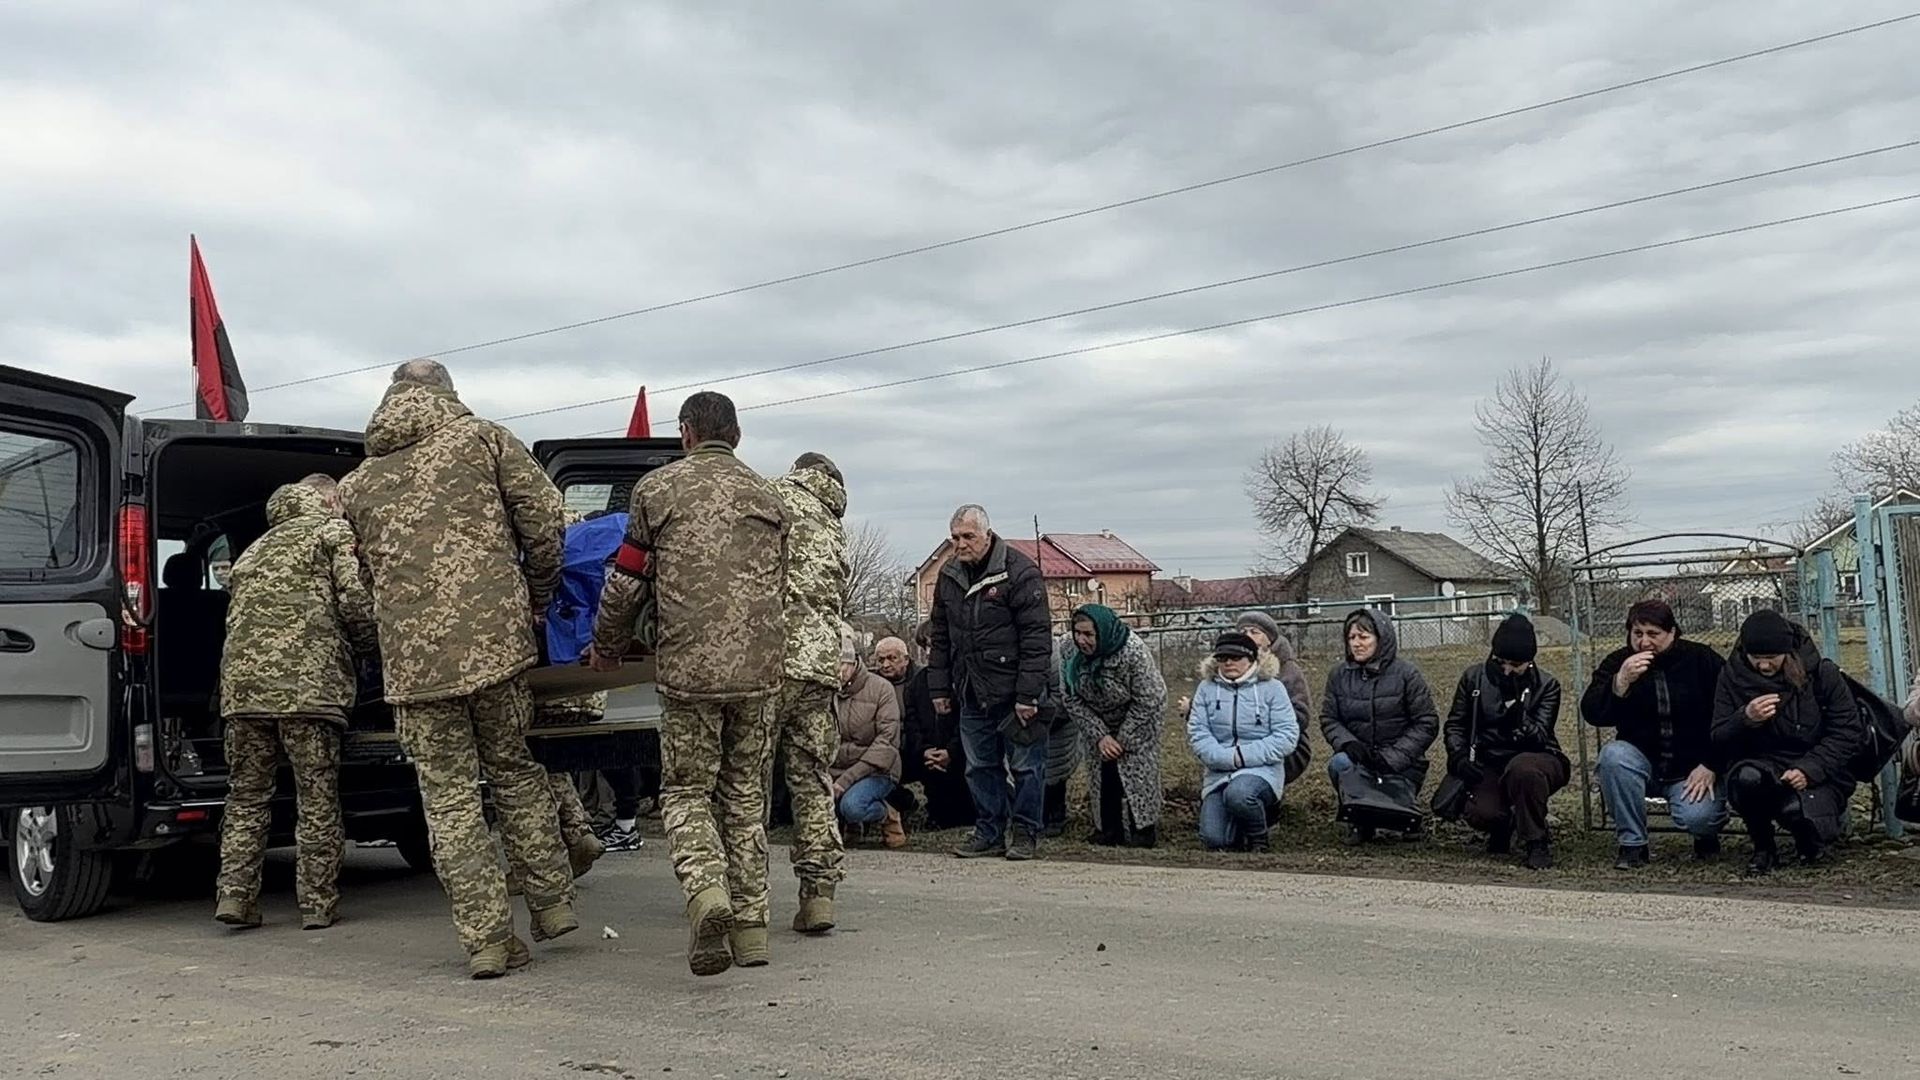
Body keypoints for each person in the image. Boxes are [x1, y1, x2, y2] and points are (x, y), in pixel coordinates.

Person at [339, 360, 576, 979]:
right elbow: (545, 521)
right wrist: (540, 595)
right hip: (496, 642)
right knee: (515, 770)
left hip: (415, 665)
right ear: (447, 393)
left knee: (447, 801)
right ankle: (550, 904)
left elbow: (365, 581)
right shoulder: (483, 439)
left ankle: (488, 942)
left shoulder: (358, 484)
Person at [588, 390, 788, 976]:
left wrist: (605, 648)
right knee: (745, 795)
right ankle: (752, 931)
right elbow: (776, 586)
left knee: (686, 792)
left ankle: (707, 895)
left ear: (686, 433)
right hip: (759, 674)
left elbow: (626, 581)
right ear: (737, 436)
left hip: (689, 674)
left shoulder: (657, 491)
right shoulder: (770, 496)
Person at [214, 475, 376, 931]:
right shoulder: (330, 533)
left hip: (243, 696)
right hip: (310, 691)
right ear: (324, 501)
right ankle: (317, 903)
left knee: (246, 796)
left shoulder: (251, 552)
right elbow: (356, 600)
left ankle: (235, 895)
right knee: (317, 796)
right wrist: (370, 652)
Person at [927, 505, 1054, 860]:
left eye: (968, 536)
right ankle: (989, 832)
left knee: (1027, 766)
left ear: (987, 534)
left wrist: (1028, 694)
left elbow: (1036, 638)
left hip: (1016, 691)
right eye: (955, 537)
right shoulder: (949, 575)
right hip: (970, 690)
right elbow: (940, 637)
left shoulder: (1020, 572)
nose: (960, 544)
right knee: (979, 766)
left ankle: (1026, 833)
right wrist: (939, 687)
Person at [1711, 609, 1864, 876]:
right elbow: (1718, 735)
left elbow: (1847, 731)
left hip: (1818, 766)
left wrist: (1810, 769)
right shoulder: (1731, 677)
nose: (1764, 665)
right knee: (1745, 778)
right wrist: (1744, 718)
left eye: (1772, 658)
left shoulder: (1821, 673)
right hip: (1760, 764)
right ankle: (1763, 847)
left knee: (1795, 811)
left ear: (1788, 653)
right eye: (1756, 658)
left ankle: (1809, 839)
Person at [767, 453, 851, 935]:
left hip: (769, 660)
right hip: (820, 666)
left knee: (745, 783)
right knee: (813, 779)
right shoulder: (832, 524)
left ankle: (743, 894)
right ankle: (819, 894)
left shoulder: (772, 498)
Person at [1580, 599, 1728, 868]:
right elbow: (1592, 713)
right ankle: (1633, 845)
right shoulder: (1617, 662)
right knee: (1613, 756)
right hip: (1642, 762)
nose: (1645, 642)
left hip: (1693, 769)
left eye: (1653, 634)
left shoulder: (1701, 659)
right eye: (1637, 633)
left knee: (1700, 818)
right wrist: (1620, 682)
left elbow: (1729, 717)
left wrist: (1711, 764)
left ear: (1672, 632)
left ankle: (1706, 836)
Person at [1443, 614, 1570, 870]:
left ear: (1530, 661)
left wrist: (1520, 718)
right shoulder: (1473, 679)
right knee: (1482, 812)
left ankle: (1536, 840)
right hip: (1489, 758)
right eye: (1500, 661)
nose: (1506, 669)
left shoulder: (1547, 686)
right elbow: (1456, 724)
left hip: (1537, 757)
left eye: (1515, 664)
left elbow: (1540, 737)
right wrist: (1458, 757)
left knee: (1524, 771)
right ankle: (1502, 823)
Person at [1320, 607, 1438, 844]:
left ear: (1381, 639)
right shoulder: (1338, 676)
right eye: (1351, 638)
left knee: (1399, 796)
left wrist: (1393, 757)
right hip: (1359, 757)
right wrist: (1348, 743)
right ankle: (1359, 819)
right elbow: (1329, 718)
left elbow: (1426, 722)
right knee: (1339, 763)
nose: (1356, 644)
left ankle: (1406, 814)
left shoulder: (1407, 675)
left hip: (1402, 762)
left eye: (1363, 637)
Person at [1062, 604, 1167, 847]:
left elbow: (1149, 699)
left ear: (1102, 631)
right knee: (1102, 772)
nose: (1081, 640)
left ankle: (1143, 830)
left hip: (1139, 717)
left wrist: (1123, 738)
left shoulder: (1133, 651)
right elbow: (1069, 697)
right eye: (1077, 632)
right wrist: (1101, 736)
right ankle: (1108, 829)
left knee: (1138, 773)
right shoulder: (1069, 650)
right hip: (1096, 718)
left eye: (1088, 634)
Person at [1188, 631, 1299, 852]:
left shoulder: (1273, 688)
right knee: (1214, 839)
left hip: (1262, 771)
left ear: (1251, 659)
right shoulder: (1206, 689)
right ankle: (1239, 827)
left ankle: (1259, 838)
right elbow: (1198, 733)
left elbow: (1286, 736)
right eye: (1222, 657)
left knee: (1240, 794)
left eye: (1236, 657)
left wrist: (1241, 756)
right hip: (1218, 773)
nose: (1228, 662)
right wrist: (1223, 758)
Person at [875, 635, 974, 830]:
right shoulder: (873, 685)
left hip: (931, 748)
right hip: (891, 749)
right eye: (880, 660)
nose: (885, 664)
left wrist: (933, 751)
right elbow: (912, 724)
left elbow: (937, 723)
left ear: (906, 658)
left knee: (938, 766)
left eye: (892, 658)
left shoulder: (924, 682)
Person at [831, 632, 905, 847]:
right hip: (835, 767)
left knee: (853, 806)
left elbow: (886, 743)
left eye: (841, 665)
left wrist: (844, 781)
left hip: (877, 769)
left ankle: (886, 814)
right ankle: (851, 824)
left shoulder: (881, 689)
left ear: (853, 662)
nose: (837, 672)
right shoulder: (826, 690)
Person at [1043, 629, 1078, 837]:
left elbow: (1062, 699)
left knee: (1054, 774)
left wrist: (1039, 719)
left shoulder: (1053, 654)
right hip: (1025, 723)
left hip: (1056, 726)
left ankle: (1055, 818)